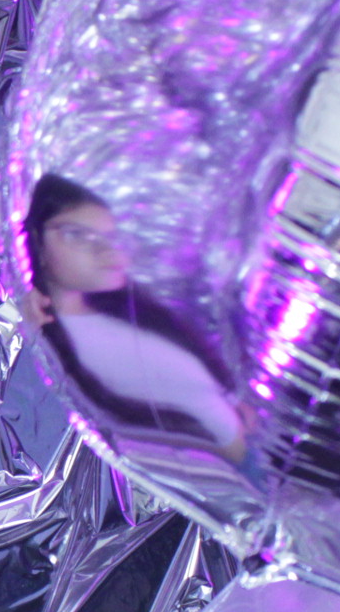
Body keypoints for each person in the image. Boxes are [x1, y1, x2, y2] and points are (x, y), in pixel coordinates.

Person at [21, 173, 250, 465]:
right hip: (220, 472)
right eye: (76, 235)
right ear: (36, 240)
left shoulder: (129, 312)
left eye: (110, 237)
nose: (104, 250)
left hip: (246, 457)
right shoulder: (43, 338)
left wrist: (232, 403)